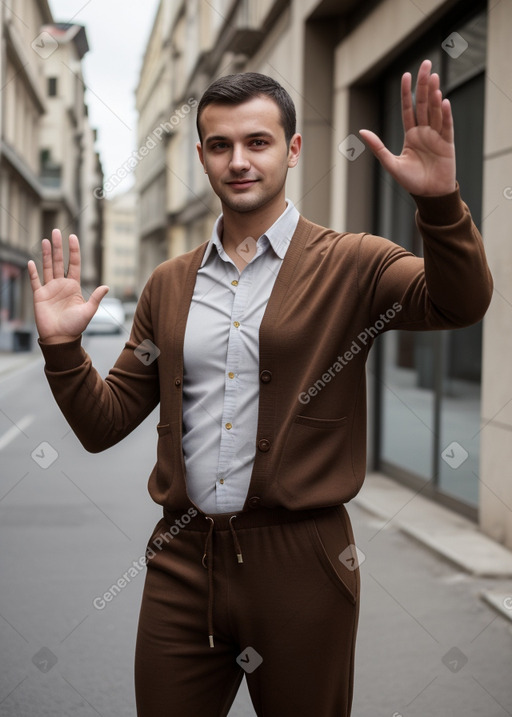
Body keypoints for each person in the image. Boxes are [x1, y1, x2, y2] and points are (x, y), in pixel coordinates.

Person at [28, 60, 493, 717]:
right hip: (183, 561)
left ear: (293, 149)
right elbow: (104, 423)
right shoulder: (168, 283)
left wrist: (440, 205)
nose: (238, 160)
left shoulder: (352, 262)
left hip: (304, 563)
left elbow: (459, 302)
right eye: (220, 145)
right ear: (201, 156)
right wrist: (61, 348)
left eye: (258, 142)